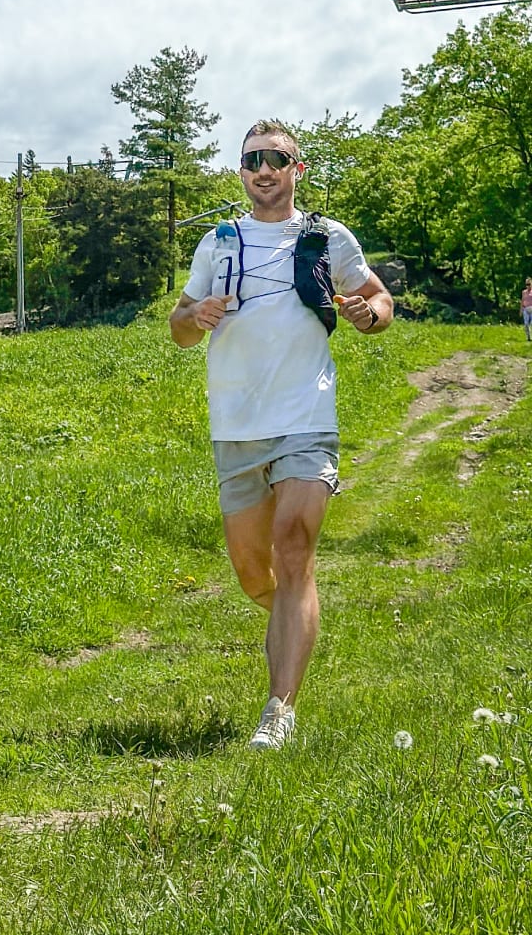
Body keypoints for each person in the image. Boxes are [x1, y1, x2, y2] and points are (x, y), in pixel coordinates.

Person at [168, 119, 393, 750]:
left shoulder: (326, 238)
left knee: (294, 546)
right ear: (241, 172)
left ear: (297, 168)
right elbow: (179, 326)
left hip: (305, 415)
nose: (263, 169)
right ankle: (297, 619)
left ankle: (279, 711)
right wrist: (196, 316)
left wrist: (365, 314)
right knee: (252, 572)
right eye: (252, 160)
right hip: (236, 423)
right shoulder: (218, 243)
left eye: (276, 159)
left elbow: (378, 300)